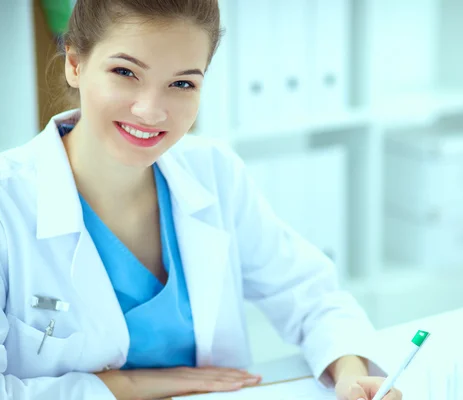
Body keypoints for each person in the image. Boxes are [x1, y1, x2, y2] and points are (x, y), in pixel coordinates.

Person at [0, 1, 402, 399]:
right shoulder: (8, 202)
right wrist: (129, 386)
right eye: (125, 72)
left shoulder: (214, 172)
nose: (150, 111)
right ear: (74, 63)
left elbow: (311, 295)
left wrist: (350, 372)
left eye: (182, 84)